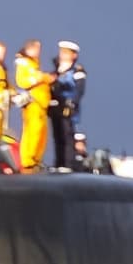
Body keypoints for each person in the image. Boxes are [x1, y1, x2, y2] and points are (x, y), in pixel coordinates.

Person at [12, 40, 53, 172]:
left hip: (41, 103)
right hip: (33, 102)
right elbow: (22, 82)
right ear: (30, 49)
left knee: (41, 132)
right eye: (36, 49)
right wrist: (41, 77)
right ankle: (28, 160)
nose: (38, 52)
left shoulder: (33, 64)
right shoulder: (24, 64)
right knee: (32, 131)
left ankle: (36, 159)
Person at [49, 40, 86, 172]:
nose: (62, 55)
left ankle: (67, 164)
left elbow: (79, 90)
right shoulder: (56, 71)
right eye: (61, 52)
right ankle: (58, 163)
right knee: (57, 136)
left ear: (73, 55)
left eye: (66, 53)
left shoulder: (77, 71)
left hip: (67, 108)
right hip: (55, 108)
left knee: (67, 136)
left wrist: (72, 103)